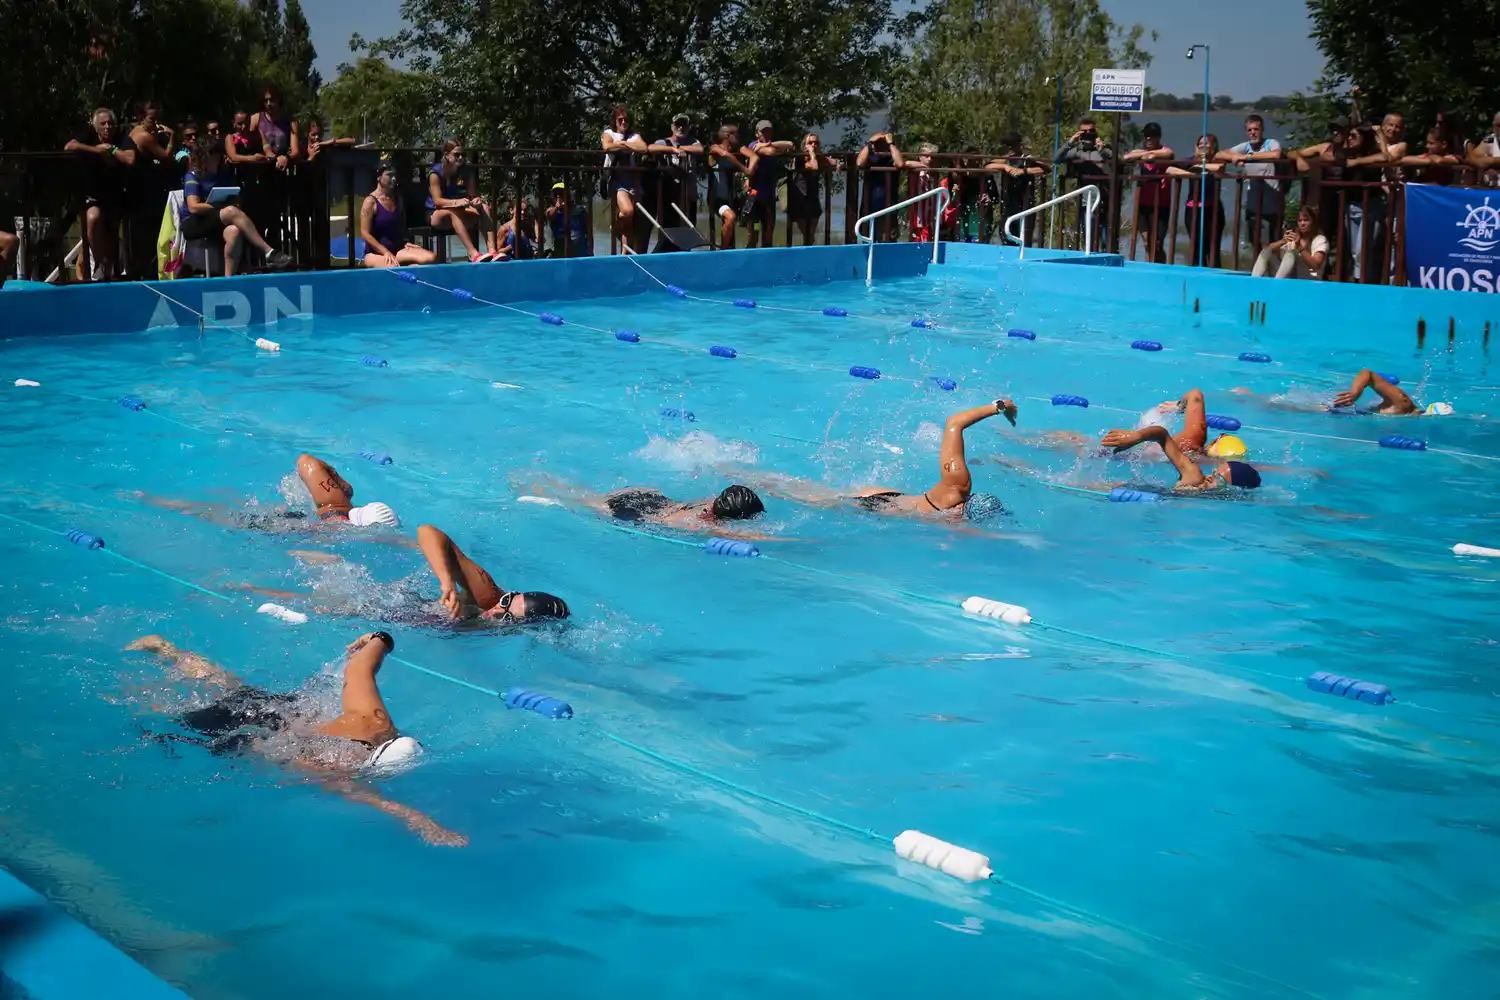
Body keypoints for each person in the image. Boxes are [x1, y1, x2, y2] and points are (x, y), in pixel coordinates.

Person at [126, 630, 466, 847]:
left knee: (232, 688)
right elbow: (376, 802)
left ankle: (165, 649)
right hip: (247, 731)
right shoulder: (337, 769)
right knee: (161, 717)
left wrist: (379, 638)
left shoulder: (374, 720)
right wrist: (419, 821)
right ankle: (132, 692)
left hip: (282, 711)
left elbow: (359, 668)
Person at [740, 400, 1016, 520]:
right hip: (874, 504)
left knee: (811, 491)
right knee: (802, 495)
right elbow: (954, 423)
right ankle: (749, 477)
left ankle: (759, 478)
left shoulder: (956, 510)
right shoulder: (956, 487)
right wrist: (997, 407)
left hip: (890, 497)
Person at [180, 136, 291, 275]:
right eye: (214, 154)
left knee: (234, 232)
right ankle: (268, 252)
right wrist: (223, 206)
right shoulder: (193, 176)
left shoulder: (223, 175)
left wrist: (234, 202)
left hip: (215, 220)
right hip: (194, 222)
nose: (218, 158)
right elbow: (194, 207)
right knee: (230, 211)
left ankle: (229, 281)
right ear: (205, 156)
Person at [64, 107, 137, 281]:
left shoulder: (121, 138)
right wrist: (98, 150)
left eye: (110, 123)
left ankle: (112, 267)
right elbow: (69, 146)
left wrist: (111, 150)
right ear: (95, 127)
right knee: (93, 218)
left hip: (116, 196)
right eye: (103, 124)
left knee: (111, 232)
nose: (107, 127)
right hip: (91, 195)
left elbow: (130, 158)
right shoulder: (87, 137)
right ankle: (99, 263)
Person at [1098, 424, 1262, 493]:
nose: (1210, 476)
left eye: (1219, 477)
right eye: (1214, 472)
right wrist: (1137, 436)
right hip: (1126, 490)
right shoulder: (1194, 477)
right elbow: (1162, 434)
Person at [1218, 114, 1285, 256]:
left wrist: (1247, 158)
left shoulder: (1270, 143)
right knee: (1255, 241)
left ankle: (1273, 274)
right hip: (1254, 200)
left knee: (1272, 243)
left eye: (1256, 129)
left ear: (1262, 130)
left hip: (1272, 200)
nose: (1253, 133)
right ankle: (1259, 271)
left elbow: (1276, 155)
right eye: (1249, 130)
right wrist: (1235, 158)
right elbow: (1219, 155)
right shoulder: (1245, 146)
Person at [426, 140, 496, 262]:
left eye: (462, 155)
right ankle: (472, 253)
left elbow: (473, 195)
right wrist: (456, 202)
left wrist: (476, 201)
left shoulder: (466, 172)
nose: (460, 158)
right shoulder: (435, 173)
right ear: (446, 155)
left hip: (459, 211)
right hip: (436, 214)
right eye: (456, 155)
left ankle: (492, 250)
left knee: (484, 207)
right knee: (452, 213)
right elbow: (437, 201)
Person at [360, 160, 437, 268]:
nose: (394, 179)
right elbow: (365, 233)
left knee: (431, 258)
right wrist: (385, 252)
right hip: (375, 253)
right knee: (394, 267)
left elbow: (401, 227)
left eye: (394, 175)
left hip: (397, 250)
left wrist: (406, 241)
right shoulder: (370, 202)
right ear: (378, 177)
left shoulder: (397, 199)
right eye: (389, 175)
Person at [1168, 134, 1225, 268]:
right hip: (1193, 209)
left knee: (1213, 249)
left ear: (1213, 147)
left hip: (1212, 209)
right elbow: (1170, 169)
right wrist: (1192, 174)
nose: (1202, 146)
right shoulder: (1191, 160)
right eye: (1200, 143)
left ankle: (1214, 278)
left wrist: (1199, 167)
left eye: (1206, 144)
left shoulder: (1216, 159)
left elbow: (1219, 168)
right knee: (1196, 248)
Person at [647, 113, 703, 245]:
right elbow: (650, 148)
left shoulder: (693, 142)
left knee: (688, 233)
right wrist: (671, 149)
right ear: (672, 126)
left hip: (689, 196)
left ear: (689, 127)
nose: (681, 128)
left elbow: (700, 149)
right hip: (668, 199)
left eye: (684, 125)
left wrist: (679, 148)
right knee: (668, 235)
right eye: (678, 125)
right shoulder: (663, 142)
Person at [1123, 122, 1175, 263]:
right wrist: (1147, 155)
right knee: (1147, 242)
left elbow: (1168, 154)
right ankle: (1149, 265)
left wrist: (1149, 155)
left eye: (1151, 137)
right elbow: (1127, 156)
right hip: (1144, 203)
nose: (1148, 139)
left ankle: (1162, 266)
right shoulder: (1141, 151)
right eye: (1146, 136)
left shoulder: (1165, 151)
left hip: (1161, 203)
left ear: (1158, 137)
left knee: (1157, 243)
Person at [602, 106, 648, 253]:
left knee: (631, 221)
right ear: (615, 121)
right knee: (627, 211)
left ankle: (625, 253)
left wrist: (624, 144)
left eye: (626, 120)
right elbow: (607, 146)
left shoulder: (634, 136)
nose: (623, 122)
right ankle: (615, 223)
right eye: (620, 119)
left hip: (632, 178)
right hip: (617, 178)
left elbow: (643, 148)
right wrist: (623, 145)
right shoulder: (609, 133)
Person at [743, 121, 794, 249]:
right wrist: (769, 147)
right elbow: (770, 152)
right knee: (753, 232)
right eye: (763, 131)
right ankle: (750, 259)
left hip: (769, 196)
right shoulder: (753, 145)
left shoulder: (766, 145)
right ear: (757, 133)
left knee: (768, 232)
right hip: (753, 196)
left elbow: (790, 144)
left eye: (769, 131)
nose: (766, 133)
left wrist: (769, 144)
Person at [987, 133, 1043, 246]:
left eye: (1012, 145)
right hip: (1008, 205)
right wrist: (1005, 167)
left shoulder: (1026, 159)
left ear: (1019, 145)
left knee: (1025, 238)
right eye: (1007, 145)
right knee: (1006, 235)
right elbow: (987, 165)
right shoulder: (1006, 161)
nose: (1010, 148)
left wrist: (1024, 171)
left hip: (1025, 205)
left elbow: (1044, 168)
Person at [1251, 205, 1328, 280]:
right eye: (1300, 221)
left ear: (1313, 222)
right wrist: (1283, 241)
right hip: (1292, 278)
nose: (1302, 223)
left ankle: (1276, 285)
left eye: (1306, 220)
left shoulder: (1320, 239)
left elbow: (1316, 265)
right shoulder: (1295, 237)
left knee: (1292, 253)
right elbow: (1269, 249)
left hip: (1309, 281)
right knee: (1266, 251)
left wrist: (1299, 247)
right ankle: (1253, 283)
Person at [786, 133, 835, 245]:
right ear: (805, 145)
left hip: (813, 200)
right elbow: (814, 167)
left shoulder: (818, 159)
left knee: (811, 237)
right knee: (805, 233)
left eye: (816, 143)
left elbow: (834, 163)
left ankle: (809, 256)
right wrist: (812, 154)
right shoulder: (799, 159)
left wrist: (835, 165)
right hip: (800, 199)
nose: (814, 145)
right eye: (810, 143)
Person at [856, 131, 906, 241]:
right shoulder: (872, 159)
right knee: (868, 242)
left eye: (882, 143)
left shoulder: (890, 159)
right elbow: (859, 163)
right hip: (869, 209)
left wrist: (891, 144)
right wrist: (869, 143)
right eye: (878, 143)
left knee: (888, 243)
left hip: (888, 209)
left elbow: (900, 163)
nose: (880, 145)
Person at [708, 124, 749, 248]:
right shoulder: (715, 149)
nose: (738, 137)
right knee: (730, 217)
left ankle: (729, 247)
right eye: (736, 134)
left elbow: (753, 156)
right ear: (727, 136)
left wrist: (747, 177)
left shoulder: (736, 152)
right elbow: (725, 155)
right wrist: (745, 169)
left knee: (731, 222)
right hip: (717, 197)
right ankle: (723, 250)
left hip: (731, 197)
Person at [250, 80, 300, 171]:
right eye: (266, 101)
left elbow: (295, 151)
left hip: (282, 168)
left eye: (271, 100)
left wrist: (286, 158)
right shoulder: (255, 119)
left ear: (278, 99)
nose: (269, 104)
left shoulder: (290, 121)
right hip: (260, 169)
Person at [545, 181, 592, 257]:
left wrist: (590, 249)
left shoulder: (580, 210)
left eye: (561, 194)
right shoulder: (551, 211)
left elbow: (589, 231)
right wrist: (557, 207)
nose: (559, 197)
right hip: (561, 251)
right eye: (557, 194)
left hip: (580, 250)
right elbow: (550, 216)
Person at [1467, 109, 1500, 185]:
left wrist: (1488, 163)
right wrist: (1487, 168)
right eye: (1499, 125)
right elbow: (1471, 158)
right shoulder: (1491, 140)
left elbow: (1478, 160)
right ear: (1493, 126)